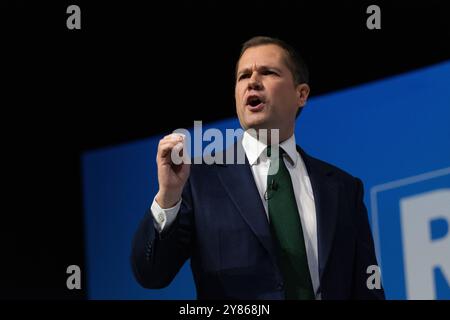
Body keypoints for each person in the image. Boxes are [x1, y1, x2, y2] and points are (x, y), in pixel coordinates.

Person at [131, 36, 385, 300]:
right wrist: (168, 197)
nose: (252, 81)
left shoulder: (343, 188)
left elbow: (368, 289)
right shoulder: (199, 180)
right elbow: (150, 274)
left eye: (268, 72)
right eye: (243, 76)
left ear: (301, 94)